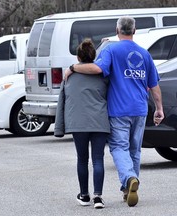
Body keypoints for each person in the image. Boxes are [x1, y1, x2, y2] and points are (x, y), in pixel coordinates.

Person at [64, 16, 164, 207]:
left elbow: (96, 69)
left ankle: (128, 179)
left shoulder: (111, 49)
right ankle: (128, 190)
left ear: (117, 30)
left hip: (119, 110)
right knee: (135, 150)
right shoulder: (144, 54)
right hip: (140, 110)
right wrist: (159, 109)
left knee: (119, 148)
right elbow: (154, 85)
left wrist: (73, 67)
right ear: (134, 31)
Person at [54, 38, 110, 209]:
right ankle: (98, 197)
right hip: (99, 121)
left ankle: (84, 195)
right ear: (93, 57)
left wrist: (59, 128)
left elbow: (61, 103)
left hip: (77, 123)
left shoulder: (69, 77)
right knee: (98, 159)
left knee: (82, 159)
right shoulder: (103, 76)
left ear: (78, 58)